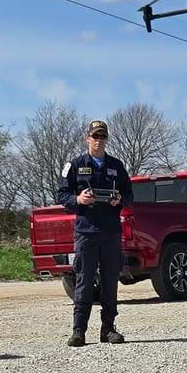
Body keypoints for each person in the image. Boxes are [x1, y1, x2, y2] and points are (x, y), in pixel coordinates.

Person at [57, 118, 133, 347]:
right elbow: (62, 195)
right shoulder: (74, 165)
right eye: (95, 136)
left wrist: (119, 200)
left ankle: (108, 330)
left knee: (110, 281)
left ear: (107, 139)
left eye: (103, 137)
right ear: (87, 138)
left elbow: (129, 195)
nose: (98, 141)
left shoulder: (116, 166)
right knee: (84, 281)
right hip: (86, 232)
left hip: (110, 231)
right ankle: (79, 330)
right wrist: (78, 199)